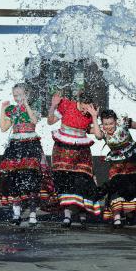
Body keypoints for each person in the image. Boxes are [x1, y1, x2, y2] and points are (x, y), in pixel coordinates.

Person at [0, 83, 55, 226]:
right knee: (15, 178)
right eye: (15, 95)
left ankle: (32, 214)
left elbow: (34, 120)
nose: (17, 98)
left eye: (20, 95)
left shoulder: (34, 108)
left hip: (31, 145)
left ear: (27, 95)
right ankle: (16, 213)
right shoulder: (12, 110)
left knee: (32, 179)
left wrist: (26, 105)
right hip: (16, 146)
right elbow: (3, 128)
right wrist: (2, 109)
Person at [47, 91, 104, 228]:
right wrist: (53, 106)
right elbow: (50, 121)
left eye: (88, 107)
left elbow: (98, 136)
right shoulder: (67, 105)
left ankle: (82, 214)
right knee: (65, 181)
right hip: (63, 150)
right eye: (84, 107)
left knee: (82, 181)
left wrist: (95, 117)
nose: (86, 110)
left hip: (81, 151)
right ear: (79, 102)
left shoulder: (91, 112)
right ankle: (67, 216)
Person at [92, 109, 136, 228]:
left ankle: (130, 212)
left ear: (116, 121)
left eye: (111, 123)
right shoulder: (101, 128)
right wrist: (93, 117)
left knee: (132, 186)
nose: (109, 127)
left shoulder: (124, 122)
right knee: (114, 185)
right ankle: (116, 216)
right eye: (106, 124)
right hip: (116, 162)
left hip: (133, 160)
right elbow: (97, 135)